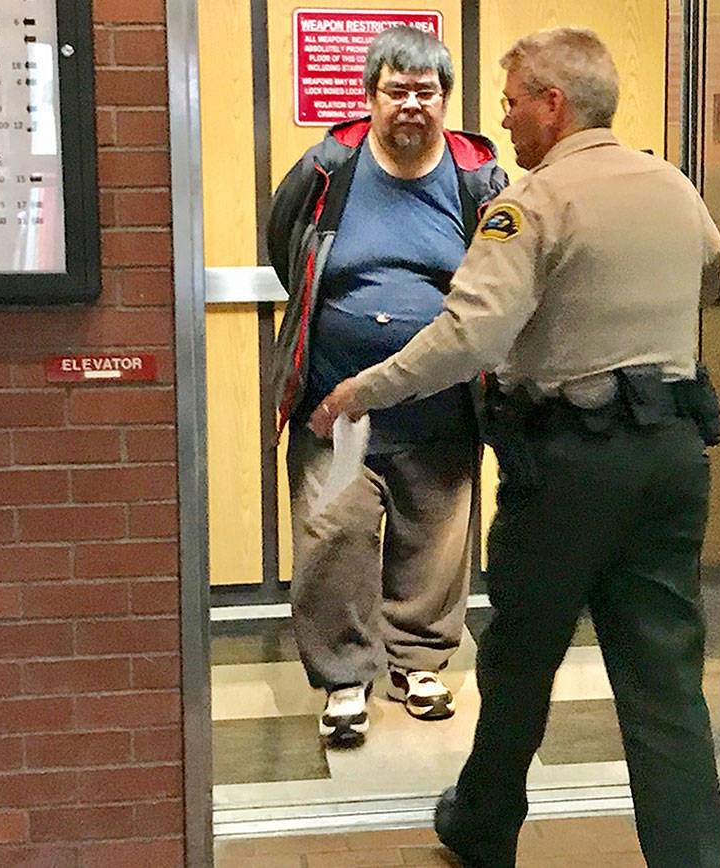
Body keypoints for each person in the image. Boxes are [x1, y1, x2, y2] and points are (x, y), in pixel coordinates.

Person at [314, 26, 720, 868]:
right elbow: (714, 272)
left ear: (554, 104)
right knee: (663, 677)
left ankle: (483, 825)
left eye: (511, 105)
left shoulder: (531, 204)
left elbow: (469, 334)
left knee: (519, 661)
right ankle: (692, 856)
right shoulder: (673, 185)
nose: (503, 124)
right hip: (672, 457)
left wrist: (362, 390)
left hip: (569, 464)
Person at [266, 25, 507, 747]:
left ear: (444, 101)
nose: (411, 104)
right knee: (333, 530)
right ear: (370, 96)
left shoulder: (476, 180)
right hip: (335, 409)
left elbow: (501, 274)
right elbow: (286, 252)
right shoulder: (328, 169)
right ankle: (345, 676)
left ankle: (419, 662)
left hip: (440, 406)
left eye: (424, 92)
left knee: (433, 534)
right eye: (395, 89)